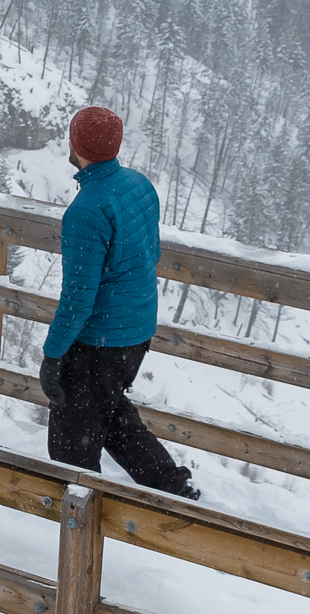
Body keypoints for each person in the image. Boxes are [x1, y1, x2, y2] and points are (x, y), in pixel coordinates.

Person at [39, 105, 198, 498]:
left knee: (71, 446)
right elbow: (150, 253)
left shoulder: (87, 211)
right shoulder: (139, 185)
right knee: (107, 412)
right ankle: (171, 486)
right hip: (136, 331)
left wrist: (53, 355)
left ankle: (75, 521)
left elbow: (77, 298)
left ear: (75, 145)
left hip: (98, 342)